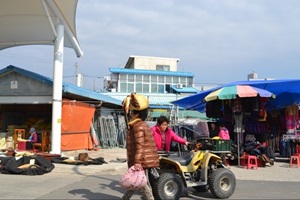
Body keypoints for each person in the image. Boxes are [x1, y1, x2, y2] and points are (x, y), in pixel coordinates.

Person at [121, 93, 159, 200]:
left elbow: (140, 145)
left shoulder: (138, 126)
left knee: (142, 184)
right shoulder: (142, 124)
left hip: (142, 160)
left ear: (135, 114)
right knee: (136, 180)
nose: (130, 114)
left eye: (132, 112)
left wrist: (137, 161)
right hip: (144, 159)